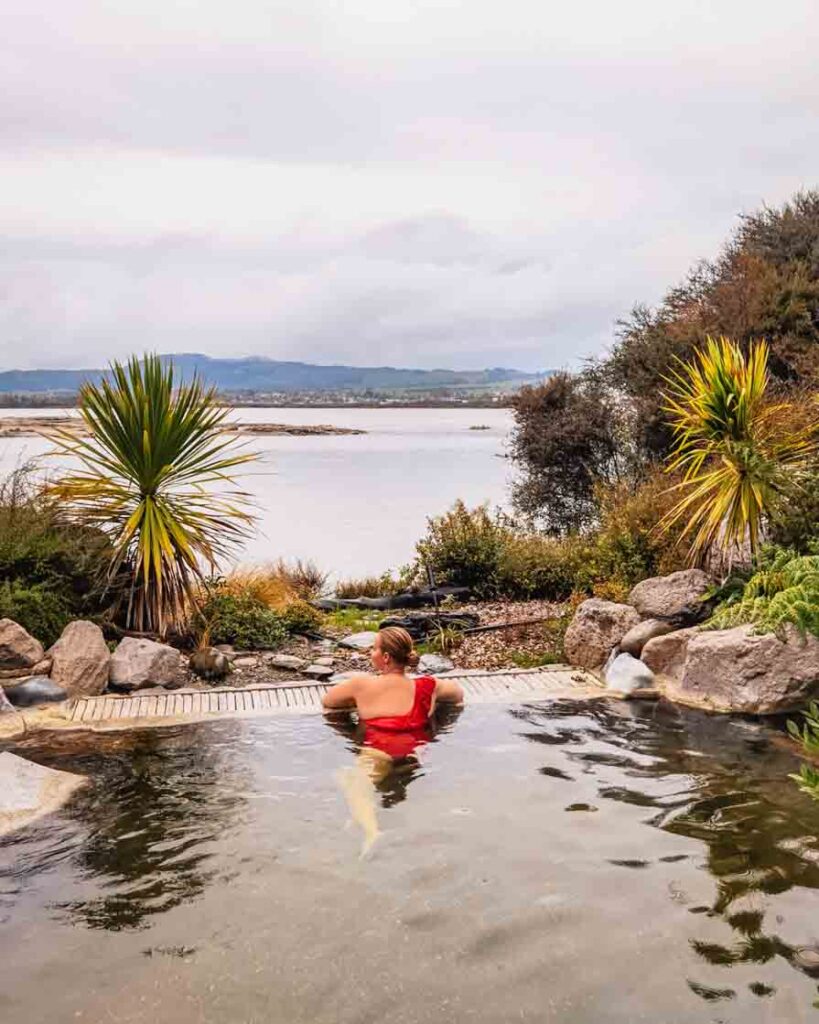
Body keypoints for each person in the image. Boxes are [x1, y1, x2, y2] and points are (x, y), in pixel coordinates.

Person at [322, 625, 464, 760]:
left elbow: (328, 703)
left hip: (373, 753)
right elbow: (458, 696)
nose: (370, 652)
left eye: (374, 648)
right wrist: (436, 726)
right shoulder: (428, 686)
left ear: (386, 657)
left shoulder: (360, 685)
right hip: (415, 752)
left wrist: (354, 732)